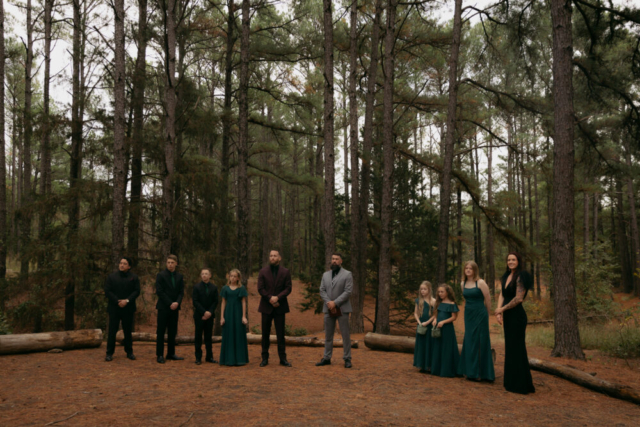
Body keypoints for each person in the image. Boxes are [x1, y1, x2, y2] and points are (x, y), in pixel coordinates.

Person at [495, 252, 535, 394]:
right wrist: (499, 312)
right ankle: (511, 381)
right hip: (508, 316)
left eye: (513, 259)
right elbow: (502, 294)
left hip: (517, 316)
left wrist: (502, 309)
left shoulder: (521, 276)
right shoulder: (506, 276)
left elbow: (518, 299)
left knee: (517, 348)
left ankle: (521, 384)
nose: (511, 262)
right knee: (510, 348)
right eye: (508, 260)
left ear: (518, 261)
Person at [458, 261, 495, 382]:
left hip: (480, 314)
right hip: (469, 314)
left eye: (471, 268)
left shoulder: (480, 282)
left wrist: (487, 315)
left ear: (475, 270)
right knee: (469, 340)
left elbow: (488, 300)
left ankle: (481, 372)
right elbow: (466, 299)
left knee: (479, 341)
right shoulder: (463, 283)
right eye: (466, 268)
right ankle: (470, 371)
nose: (468, 270)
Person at [316, 253, 353, 369]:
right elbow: (322, 290)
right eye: (333, 259)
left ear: (341, 261)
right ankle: (327, 358)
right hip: (328, 309)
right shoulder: (325, 275)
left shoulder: (347, 274)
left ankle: (347, 358)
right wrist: (329, 302)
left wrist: (335, 302)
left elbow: (348, 291)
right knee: (328, 335)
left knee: (345, 335)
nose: (334, 261)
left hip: (342, 309)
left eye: (337, 259)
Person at [257, 249, 293, 367]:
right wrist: (270, 298)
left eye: (275, 256)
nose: (272, 257)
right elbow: (260, 288)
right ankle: (264, 358)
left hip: (280, 306)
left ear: (279, 258)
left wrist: (278, 297)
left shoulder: (285, 272)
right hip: (266, 306)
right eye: (271, 255)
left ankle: (283, 358)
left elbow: (288, 288)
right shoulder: (263, 271)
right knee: (265, 334)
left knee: (280, 334)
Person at [104, 257, 140, 362]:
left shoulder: (134, 277)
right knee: (112, 331)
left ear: (129, 266)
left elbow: (137, 291)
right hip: (114, 308)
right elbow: (107, 291)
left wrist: (127, 300)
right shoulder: (112, 277)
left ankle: (129, 352)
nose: (122, 265)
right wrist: (117, 301)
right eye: (121, 263)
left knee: (128, 331)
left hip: (128, 308)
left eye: (124, 263)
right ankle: (109, 353)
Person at [155, 254, 185, 364]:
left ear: (176, 264)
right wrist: (170, 303)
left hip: (175, 308)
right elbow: (160, 291)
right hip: (163, 307)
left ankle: (171, 353)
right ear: (166, 263)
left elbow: (181, 292)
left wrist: (177, 302)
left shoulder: (179, 276)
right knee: (161, 331)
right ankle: (160, 355)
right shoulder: (161, 275)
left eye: (172, 263)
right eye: (168, 263)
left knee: (172, 331)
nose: (170, 265)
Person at [219, 269, 249, 366]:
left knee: (238, 334)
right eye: (231, 276)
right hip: (228, 313)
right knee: (229, 334)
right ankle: (228, 359)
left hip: (238, 312)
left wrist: (244, 316)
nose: (232, 278)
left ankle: (240, 359)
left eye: (235, 276)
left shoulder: (241, 288)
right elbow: (223, 302)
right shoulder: (225, 288)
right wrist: (222, 317)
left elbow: (243, 302)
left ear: (238, 278)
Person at [430, 284, 460, 377]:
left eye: (442, 292)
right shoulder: (439, 303)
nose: (440, 294)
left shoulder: (452, 304)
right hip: (438, 328)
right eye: (439, 292)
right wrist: (435, 320)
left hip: (447, 329)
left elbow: (454, 317)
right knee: (438, 347)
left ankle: (447, 371)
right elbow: (436, 314)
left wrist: (443, 322)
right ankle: (437, 370)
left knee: (446, 348)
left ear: (447, 292)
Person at [193, 268, 219, 365]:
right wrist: (204, 312)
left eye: (206, 274)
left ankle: (209, 356)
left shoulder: (214, 287)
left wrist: (210, 312)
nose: (204, 275)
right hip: (199, 316)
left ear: (210, 276)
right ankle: (198, 357)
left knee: (208, 337)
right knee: (198, 337)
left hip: (210, 316)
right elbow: (195, 301)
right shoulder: (196, 287)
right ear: (201, 275)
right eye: (203, 274)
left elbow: (215, 301)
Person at [413, 281, 435, 373]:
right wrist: (419, 322)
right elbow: (415, 313)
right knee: (421, 344)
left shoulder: (433, 301)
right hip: (421, 326)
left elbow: (435, 314)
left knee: (429, 344)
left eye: (425, 289)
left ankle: (429, 365)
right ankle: (421, 364)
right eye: (421, 289)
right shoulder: (418, 301)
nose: (423, 291)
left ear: (429, 290)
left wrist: (428, 322)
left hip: (429, 326)